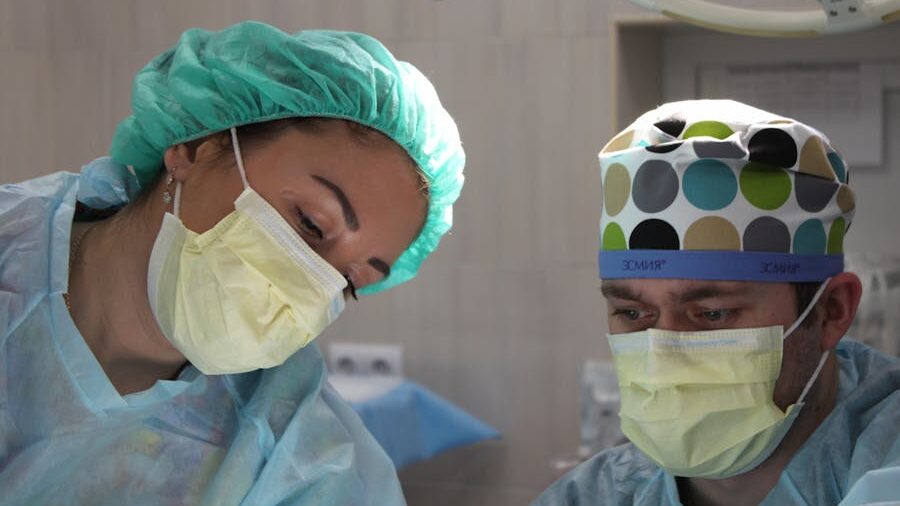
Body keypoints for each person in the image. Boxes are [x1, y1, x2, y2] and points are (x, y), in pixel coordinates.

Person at [0, 21, 464, 505]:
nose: (313, 280)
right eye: (310, 222)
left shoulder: (300, 458)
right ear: (198, 149)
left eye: (348, 280)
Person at [534, 100, 900, 505]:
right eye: (633, 314)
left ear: (832, 310)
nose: (663, 354)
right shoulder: (596, 495)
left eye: (712, 314)